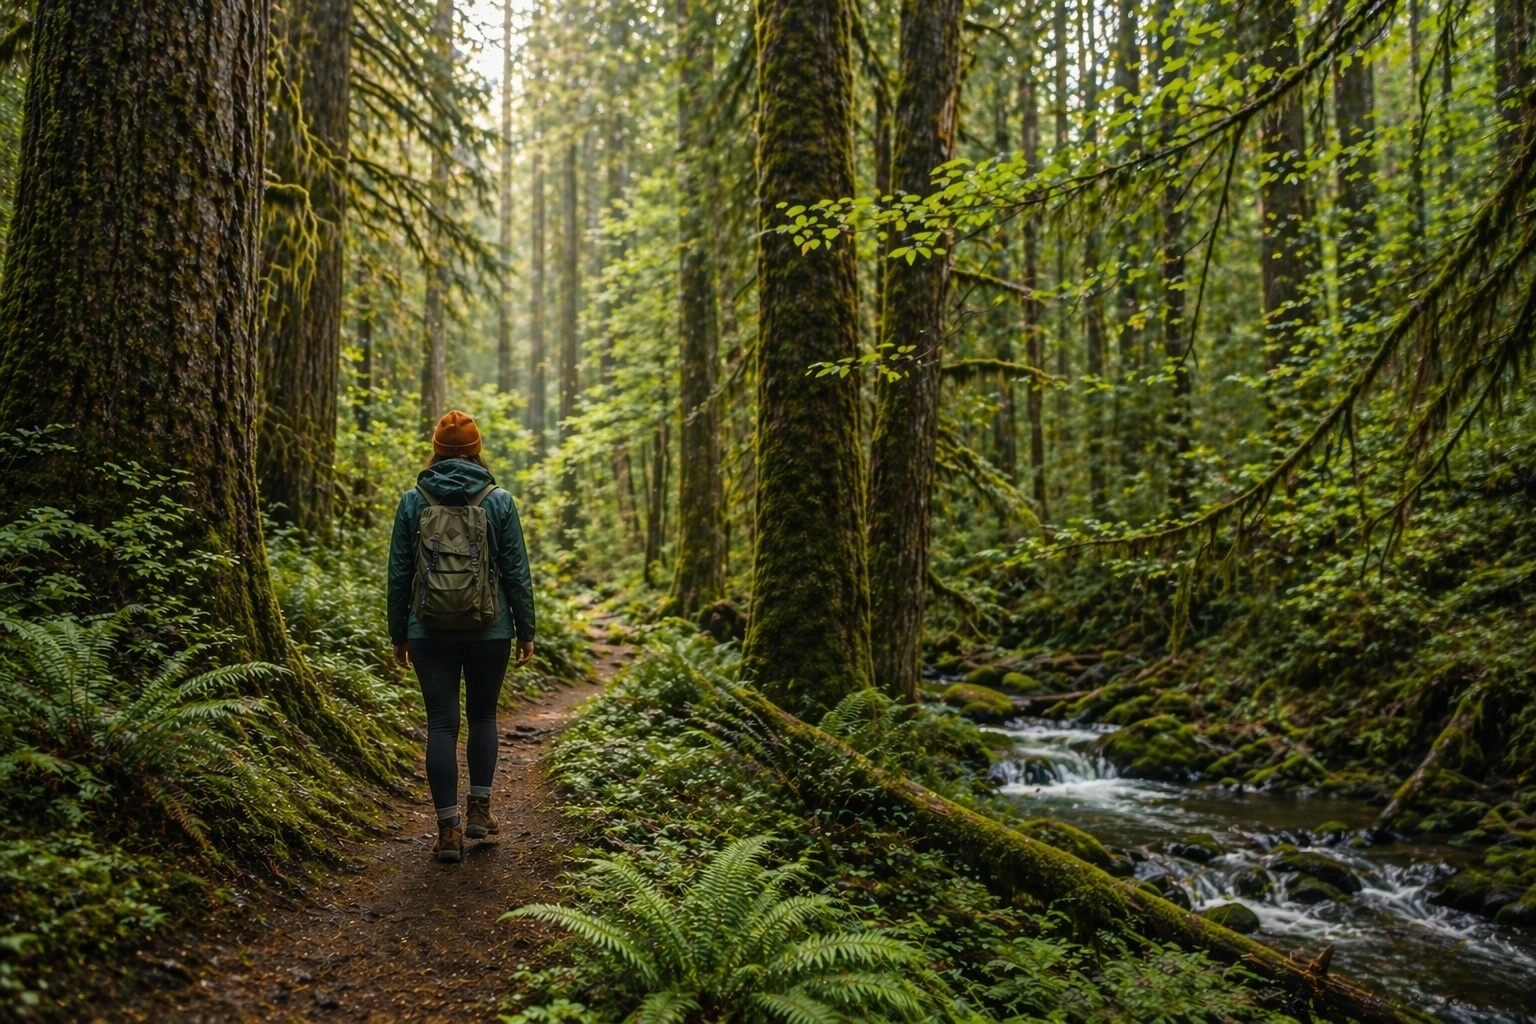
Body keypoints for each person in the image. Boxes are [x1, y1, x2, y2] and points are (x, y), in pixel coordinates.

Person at [388, 410, 536, 863]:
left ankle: (448, 830)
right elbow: (515, 571)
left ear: (435, 449)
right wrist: (526, 629)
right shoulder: (499, 500)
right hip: (490, 630)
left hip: (428, 630)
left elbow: (399, 572)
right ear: (476, 449)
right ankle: (480, 810)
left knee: (441, 725)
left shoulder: (415, 499)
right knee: (484, 718)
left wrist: (399, 633)